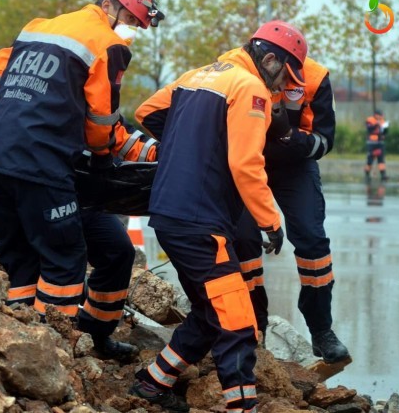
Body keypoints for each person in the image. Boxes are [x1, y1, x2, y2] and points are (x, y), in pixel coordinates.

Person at [0, 0, 164, 358]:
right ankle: (48, 353)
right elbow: (100, 123)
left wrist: (25, 110)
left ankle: (88, 336)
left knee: (86, 253)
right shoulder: (106, 44)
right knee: (64, 260)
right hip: (41, 164)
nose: (130, 30)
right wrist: (102, 155)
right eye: (129, 20)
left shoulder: (38, 27)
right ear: (108, 4)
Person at [129, 20, 307, 412]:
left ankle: (151, 382)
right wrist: (270, 221)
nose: (282, 88)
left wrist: (191, 139)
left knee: (210, 314)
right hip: (200, 223)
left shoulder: (198, 75)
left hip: (171, 214)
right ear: (270, 58)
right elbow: (245, 164)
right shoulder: (250, 88)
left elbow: (148, 112)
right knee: (238, 321)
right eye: (285, 76)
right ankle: (242, 406)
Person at [232, 54, 350, 364]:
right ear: (266, 57)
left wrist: (289, 137)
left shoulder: (315, 76)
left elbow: (324, 141)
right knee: (243, 241)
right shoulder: (238, 66)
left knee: (312, 241)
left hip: (295, 164)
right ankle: (254, 331)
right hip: (246, 159)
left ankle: (321, 330)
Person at [364, 109, 388, 181]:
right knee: (370, 159)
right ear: (375, 114)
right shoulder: (370, 120)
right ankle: (367, 175)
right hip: (371, 143)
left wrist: (384, 131)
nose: (381, 116)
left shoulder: (383, 121)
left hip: (380, 143)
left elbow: (385, 131)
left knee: (381, 159)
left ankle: (383, 175)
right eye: (379, 115)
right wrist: (376, 124)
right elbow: (369, 129)